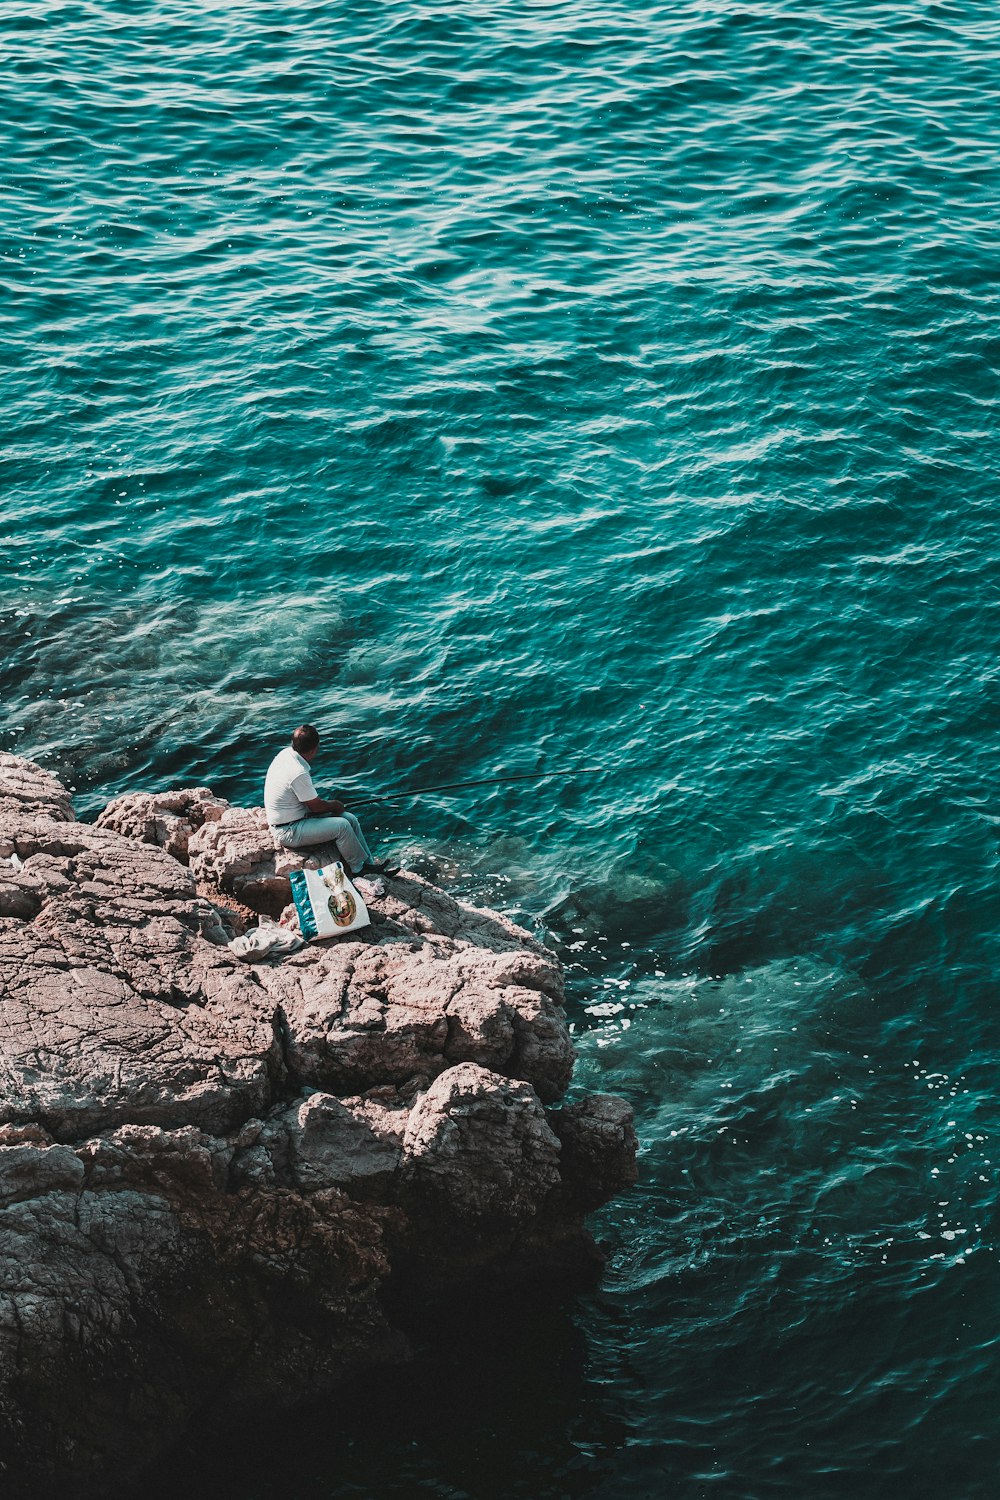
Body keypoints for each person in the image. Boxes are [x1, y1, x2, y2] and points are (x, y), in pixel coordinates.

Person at [264, 723, 394, 879]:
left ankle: (369, 863)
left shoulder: (286, 754)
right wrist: (336, 805)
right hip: (287, 830)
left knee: (350, 819)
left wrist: (335, 809)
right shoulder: (298, 772)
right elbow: (315, 806)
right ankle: (358, 870)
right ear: (314, 749)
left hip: (296, 818)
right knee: (342, 826)